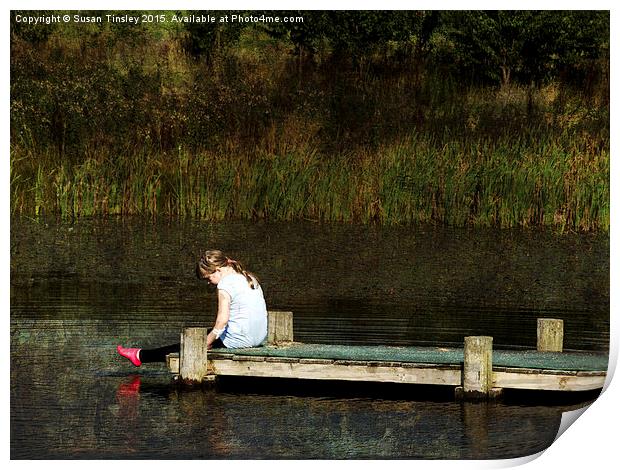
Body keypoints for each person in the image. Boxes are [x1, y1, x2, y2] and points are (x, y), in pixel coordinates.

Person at [117, 250, 268, 367]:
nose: (209, 283)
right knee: (201, 336)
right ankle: (140, 355)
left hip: (239, 341)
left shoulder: (225, 284)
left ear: (218, 270)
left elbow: (222, 321)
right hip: (259, 337)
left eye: (208, 278)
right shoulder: (249, 277)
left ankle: (140, 356)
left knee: (189, 344)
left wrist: (206, 343)